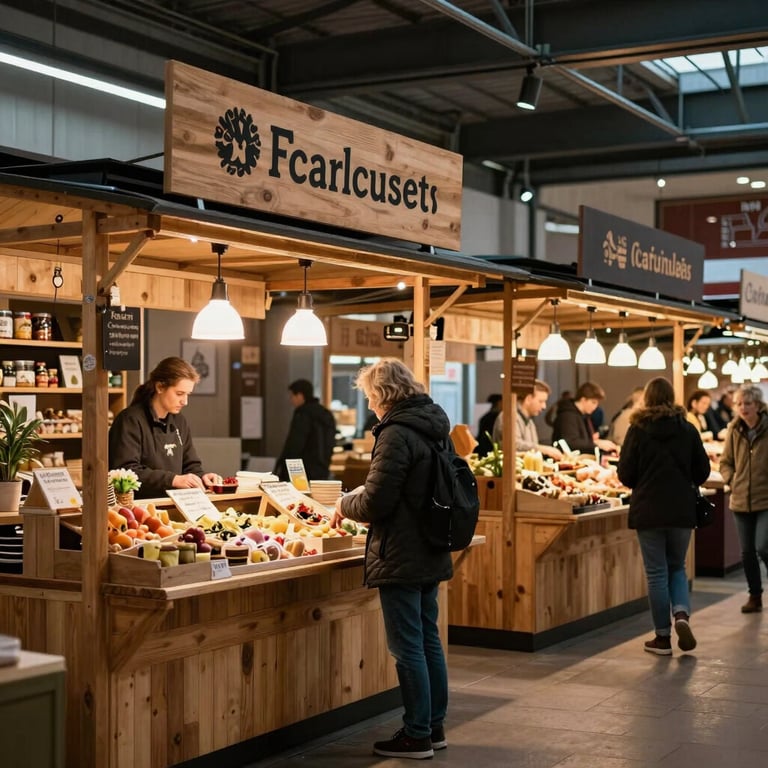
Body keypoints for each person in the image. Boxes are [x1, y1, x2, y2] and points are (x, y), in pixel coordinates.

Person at [330, 359, 452, 760]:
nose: (369, 405)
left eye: (369, 397)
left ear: (382, 395)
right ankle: (434, 728)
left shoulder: (397, 432)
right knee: (428, 638)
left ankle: (416, 734)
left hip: (400, 550)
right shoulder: (434, 427)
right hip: (431, 545)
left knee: (408, 646)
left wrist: (343, 503)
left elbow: (377, 501)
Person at [617, 377, 710, 655]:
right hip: (682, 509)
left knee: (656, 573)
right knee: (677, 567)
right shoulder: (688, 429)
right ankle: (681, 614)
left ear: (647, 398)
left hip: (648, 510)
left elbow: (625, 474)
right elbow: (703, 472)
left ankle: (661, 638)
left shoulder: (637, 430)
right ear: (673, 398)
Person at [109, 356, 221, 499]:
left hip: (175, 504)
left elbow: (190, 465)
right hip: (138, 507)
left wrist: (203, 477)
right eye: (179, 394)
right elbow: (126, 471)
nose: (185, 401)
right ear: (160, 387)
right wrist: (172, 480)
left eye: (188, 394)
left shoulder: (179, 421)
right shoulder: (130, 420)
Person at [718, 385, 768, 614]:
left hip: (765, 499)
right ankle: (755, 595)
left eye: (748, 404)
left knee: (763, 546)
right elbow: (725, 461)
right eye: (739, 404)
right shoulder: (734, 430)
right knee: (747, 552)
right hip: (740, 499)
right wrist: (732, 480)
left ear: (758, 405)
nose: (743, 408)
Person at [274, 379, 337, 482]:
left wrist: (284, 470)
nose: (291, 400)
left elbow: (295, 445)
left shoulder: (302, 414)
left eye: (292, 396)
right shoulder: (326, 414)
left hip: (301, 471)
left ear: (300, 395)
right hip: (322, 469)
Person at [491, 380, 563, 460]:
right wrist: (543, 449)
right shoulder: (508, 416)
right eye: (541, 401)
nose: (544, 406)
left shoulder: (530, 422)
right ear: (528, 399)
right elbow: (514, 445)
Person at [551, 381, 618, 455]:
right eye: (593, 402)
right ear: (583, 400)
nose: (595, 407)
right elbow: (571, 442)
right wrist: (597, 443)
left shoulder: (582, 415)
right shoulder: (568, 416)